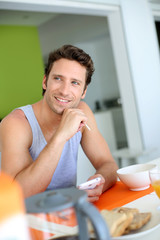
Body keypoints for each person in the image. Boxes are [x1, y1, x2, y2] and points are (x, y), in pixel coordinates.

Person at [0, 45, 118, 202]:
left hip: (69, 211)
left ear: (83, 92)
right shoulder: (16, 124)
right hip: (28, 218)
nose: (64, 91)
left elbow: (108, 164)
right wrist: (61, 135)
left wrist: (99, 182)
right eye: (58, 78)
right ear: (44, 81)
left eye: (75, 83)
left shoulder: (82, 111)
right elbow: (18, 195)